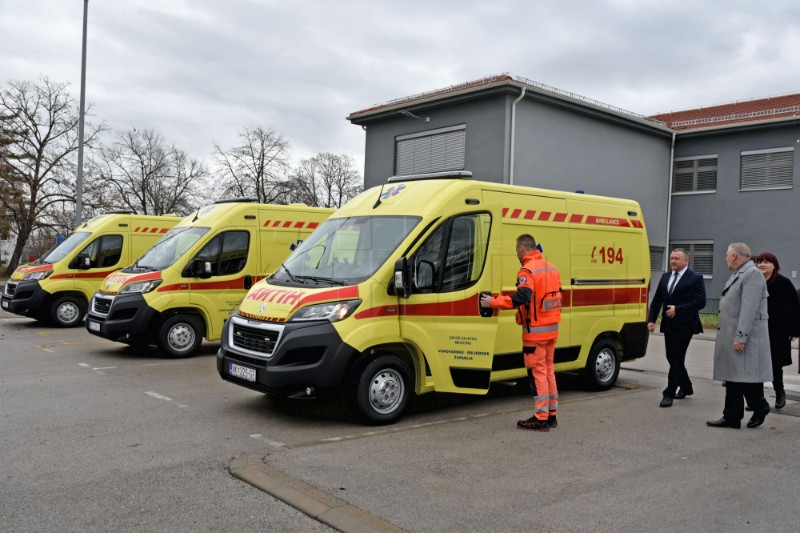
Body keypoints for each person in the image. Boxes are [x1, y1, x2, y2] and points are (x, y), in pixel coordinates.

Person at [480, 234, 562, 432]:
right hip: (551, 329)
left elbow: (524, 296)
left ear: (522, 248)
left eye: (517, 250)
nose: (516, 253)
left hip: (535, 333)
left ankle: (540, 418)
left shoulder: (527, 270)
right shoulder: (552, 268)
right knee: (549, 371)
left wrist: (494, 302)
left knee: (538, 374)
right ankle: (551, 415)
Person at [708, 243, 772, 429]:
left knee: (743, 378)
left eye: (727, 255)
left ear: (735, 256)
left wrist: (741, 337)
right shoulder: (741, 273)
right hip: (734, 334)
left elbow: (749, 309)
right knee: (733, 378)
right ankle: (731, 417)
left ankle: (760, 407)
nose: (725, 258)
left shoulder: (752, 274)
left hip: (744, 338)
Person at [647, 248, 706, 408]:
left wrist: (679, 309)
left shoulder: (695, 278)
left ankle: (669, 393)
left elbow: (701, 302)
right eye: (672, 258)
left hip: (686, 324)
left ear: (686, 261)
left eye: (677, 258)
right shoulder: (666, 277)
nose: (673, 261)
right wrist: (651, 319)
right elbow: (657, 299)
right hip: (669, 324)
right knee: (671, 357)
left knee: (677, 357)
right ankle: (686, 386)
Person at [755, 252, 800, 409]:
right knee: (757, 366)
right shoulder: (754, 281)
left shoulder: (783, 283)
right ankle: (758, 400)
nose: (762, 264)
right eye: (759, 262)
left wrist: (794, 330)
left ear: (774, 265)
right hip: (758, 330)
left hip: (778, 332)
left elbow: (795, 307)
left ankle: (780, 393)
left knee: (775, 365)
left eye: (766, 262)